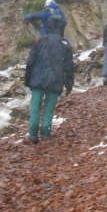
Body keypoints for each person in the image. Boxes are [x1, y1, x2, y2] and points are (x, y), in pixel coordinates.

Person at [24, 15, 74, 144]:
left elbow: (30, 61)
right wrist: (69, 84)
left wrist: (27, 79)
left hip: (37, 78)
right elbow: (68, 67)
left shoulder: (39, 40)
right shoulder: (65, 44)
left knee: (35, 107)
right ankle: (45, 133)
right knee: (49, 108)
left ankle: (33, 134)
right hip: (56, 80)